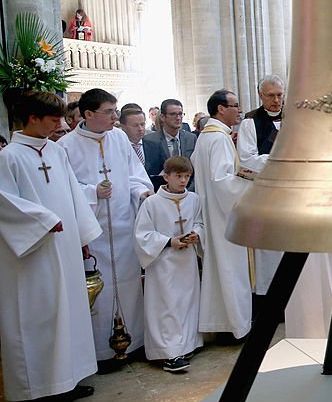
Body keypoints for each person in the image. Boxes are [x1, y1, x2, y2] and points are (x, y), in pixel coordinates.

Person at [0, 90, 101, 402]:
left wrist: (83, 235)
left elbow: (73, 195)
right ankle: (38, 389)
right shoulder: (9, 156)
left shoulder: (56, 152)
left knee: (68, 311)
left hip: (66, 247)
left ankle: (68, 379)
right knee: (38, 317)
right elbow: (4, 202)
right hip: (32, 253)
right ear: (33, 118)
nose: (62, 124)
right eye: (54, 119)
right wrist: (43, 221)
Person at [58, 88, 153, 370]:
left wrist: (142, 194)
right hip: (93, 233)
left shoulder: (119, 138)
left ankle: (133, 343)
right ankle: (101, 352)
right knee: (99, 290)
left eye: (115, 110)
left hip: (123, 227)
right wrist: (92, 192)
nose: (115, 117)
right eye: (109, 112)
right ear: (88, 114)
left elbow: (135, 174)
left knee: (128, 285)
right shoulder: (66, 146)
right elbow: (66, 188)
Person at [133, 156, 203, 372]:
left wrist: (197, 234)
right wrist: (169, 241)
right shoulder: (152, 203)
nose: (183, 181)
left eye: (187, 176)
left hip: (187, 261)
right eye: (178, 176)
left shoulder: (194, 199)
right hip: (163, 262)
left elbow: (200, 222)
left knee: (187, 301)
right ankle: (167, 353)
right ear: (166, 176)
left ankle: (187, 344)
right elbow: (142, 235)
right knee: (166, 305)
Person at [193, 89, 252, 341]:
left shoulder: (208, 136)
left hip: (214, 211)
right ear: (220, 109)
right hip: (225, 215)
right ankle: (235, 327)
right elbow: (222, 181)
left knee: (222, 270)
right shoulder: (217, 139)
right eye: (234, 105)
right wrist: (252, 184)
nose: (239, 110)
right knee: (231, 269)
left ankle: (225, 324)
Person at [237, 75, 285, 300]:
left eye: (279, 95)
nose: (276, 100)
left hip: (293, 191)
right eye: (271, 95)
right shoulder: (250, 122)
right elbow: (246, 158)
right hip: (266, 193)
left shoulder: (295, 117)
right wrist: (282, 159)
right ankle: (269, 297)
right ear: (260, 96)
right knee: (270, 248)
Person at [142, 99, 197, 191]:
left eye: (180, 114)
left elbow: (196, 168)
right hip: (162, 191)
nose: (178, 118)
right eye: (173, 114)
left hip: (188, 190)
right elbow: (150, 172)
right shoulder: (150, 140)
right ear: (163, 117)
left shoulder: (191, 138)